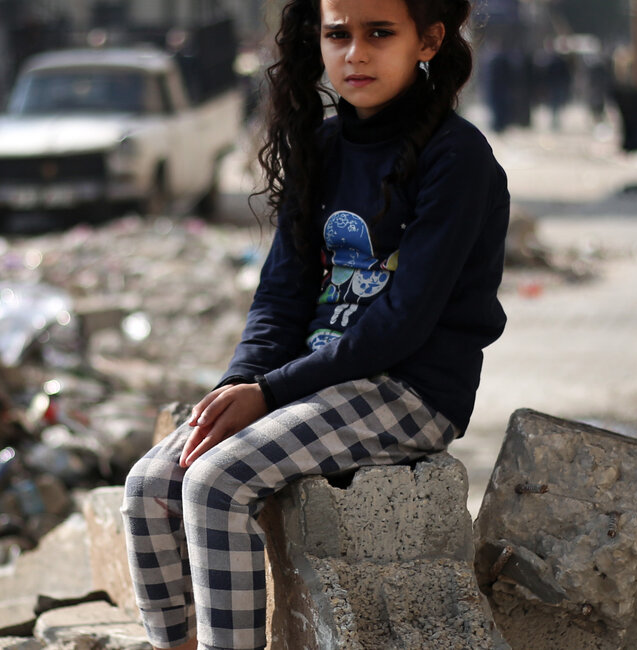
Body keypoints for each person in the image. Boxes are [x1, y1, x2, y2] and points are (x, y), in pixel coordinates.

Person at [119, 0, 509, 647]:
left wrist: (269, 393)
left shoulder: (457, 158)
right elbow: (280, 295)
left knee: (216, 485)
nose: (355, 53)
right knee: (150, 485)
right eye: (339, 34)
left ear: (429, 40)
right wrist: (241, 382)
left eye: (379, 33)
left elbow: (404, 324)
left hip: (411, 389)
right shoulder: (323, 146)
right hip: (314, 383)